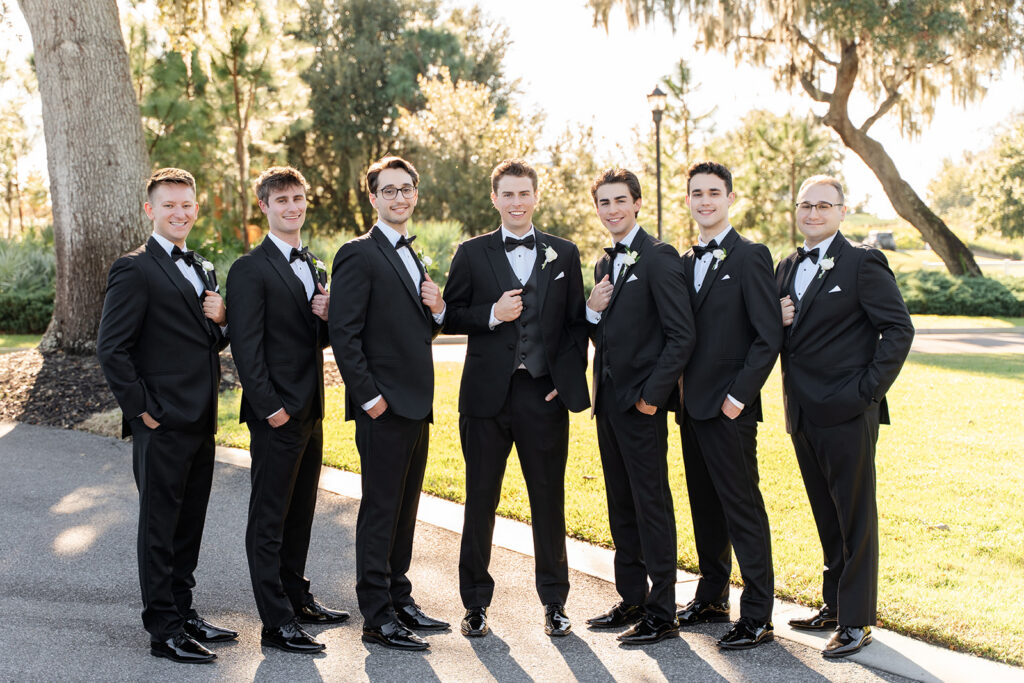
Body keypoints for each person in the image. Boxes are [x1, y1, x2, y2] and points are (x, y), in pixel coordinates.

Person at [442, 159, 590, 639]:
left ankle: (554, 603)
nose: (516, 202)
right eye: (507, 194)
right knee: (479, 501)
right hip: (484, 399)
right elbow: (449, 315)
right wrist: (491, 314)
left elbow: (574, 328)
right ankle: (475, 605)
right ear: (495, 199)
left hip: (542, 397)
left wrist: (562, 382)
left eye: (524, 193)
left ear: (536, 196)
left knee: (548, 501)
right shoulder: (470, 252)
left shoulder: (563, 254)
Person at [97, 168, 234, 664]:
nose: (180, 213)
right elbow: (111, 348)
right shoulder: (134, 268)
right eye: (169, 205)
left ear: (196, 208)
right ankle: (164, 630)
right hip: (161, 423)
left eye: (187, 205)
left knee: (188, 525)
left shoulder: (200, 266)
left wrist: (222, 321)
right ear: (150, 210)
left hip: (201, 421)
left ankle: (184, 610)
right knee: (159, 528)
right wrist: (142, 412)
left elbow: (208, 341)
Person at [777, 175, 913, 658]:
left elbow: (897, 330)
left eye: (823, 206)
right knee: (826, 513)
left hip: (849, 411)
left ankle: (856, 621)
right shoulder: (787, 264)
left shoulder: (862, 262)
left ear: (841, 210)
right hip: (802, 412)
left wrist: (866, 394)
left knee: (855, 517)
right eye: (806, 205)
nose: (813, 214)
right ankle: (834, 604)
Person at [225, 166, 349, 654]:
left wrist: (327, 316)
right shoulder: (249, 269)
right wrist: (270, 408)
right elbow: (246, 347)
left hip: (310, 410)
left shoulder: (314, 264)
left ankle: (297, 598)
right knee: (269, 518)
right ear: (265, 207)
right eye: (282, 201)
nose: (293, 207)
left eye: (299, 198)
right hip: (276, 414)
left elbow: (314, 340)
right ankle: (276, 622)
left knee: (300, 513)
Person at [328, 156, 449, 651]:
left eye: (407, 189)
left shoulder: (409, 254)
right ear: (373, 198)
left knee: (404, 510)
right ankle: (377, 616)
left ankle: (400, 598)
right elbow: (344, 332)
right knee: (380, 511)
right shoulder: (358, 253)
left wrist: (438, 310)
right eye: (390, 190)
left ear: (414, 195)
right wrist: (370, 399)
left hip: (417, 405)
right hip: (383, 407)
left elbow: (421, 329)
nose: (400, 197)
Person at [584, 168, 695, 645]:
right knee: (620, 501)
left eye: (619, 201)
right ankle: (630, 597)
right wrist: (592, 308)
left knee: (651, 503)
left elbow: (681, 335)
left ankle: (662, 610)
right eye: (604, 203)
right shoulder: (602, 266)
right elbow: (603, 336)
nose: (612, 210)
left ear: (637, 203)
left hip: (641, 405)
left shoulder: (659, 257)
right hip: (607, 403)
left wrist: (652, 397)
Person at [675, 161, 783, 651]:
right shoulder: (683, 258)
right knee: (705, 508)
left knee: (743, 509)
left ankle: (757, 614)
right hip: (690, 409)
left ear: (730, 198)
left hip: (730, 409)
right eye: (696, 193)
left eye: (713, 192)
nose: (704, 200)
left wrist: (739, 398)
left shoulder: (751, 256)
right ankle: (713, 596)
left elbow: (767, 336)